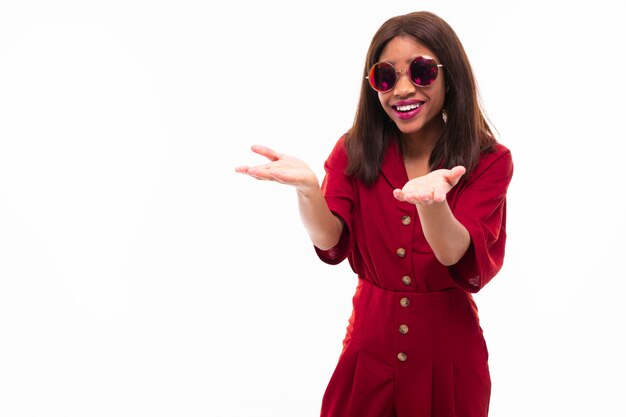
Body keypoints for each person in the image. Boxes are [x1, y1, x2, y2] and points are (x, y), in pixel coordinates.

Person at [236, 10, 513, 417]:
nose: (402, 89)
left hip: (449, 354)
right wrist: (309, 192)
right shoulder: (353, 150)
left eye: (421, 72)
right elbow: (331, 242)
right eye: (386, 77)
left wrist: (433, 204)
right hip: (370, 346)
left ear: (449, 76)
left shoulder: (489, 160)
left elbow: (457, 256)